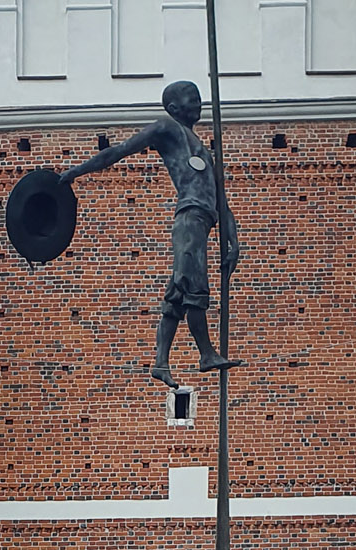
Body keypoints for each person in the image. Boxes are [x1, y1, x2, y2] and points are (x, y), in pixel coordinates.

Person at [58, 80, 240, 389]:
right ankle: (206, 354)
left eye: (199, 97)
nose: (198, 102)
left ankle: (161, 363)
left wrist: (233, 241)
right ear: (173, 107)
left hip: (203, 222)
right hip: (190, 219)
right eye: (191, 98)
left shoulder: (203, 149)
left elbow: (221, 200)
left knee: (178, 294)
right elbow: (118, 151)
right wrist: (76, 172)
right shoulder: (166, 128)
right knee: (193, 288)